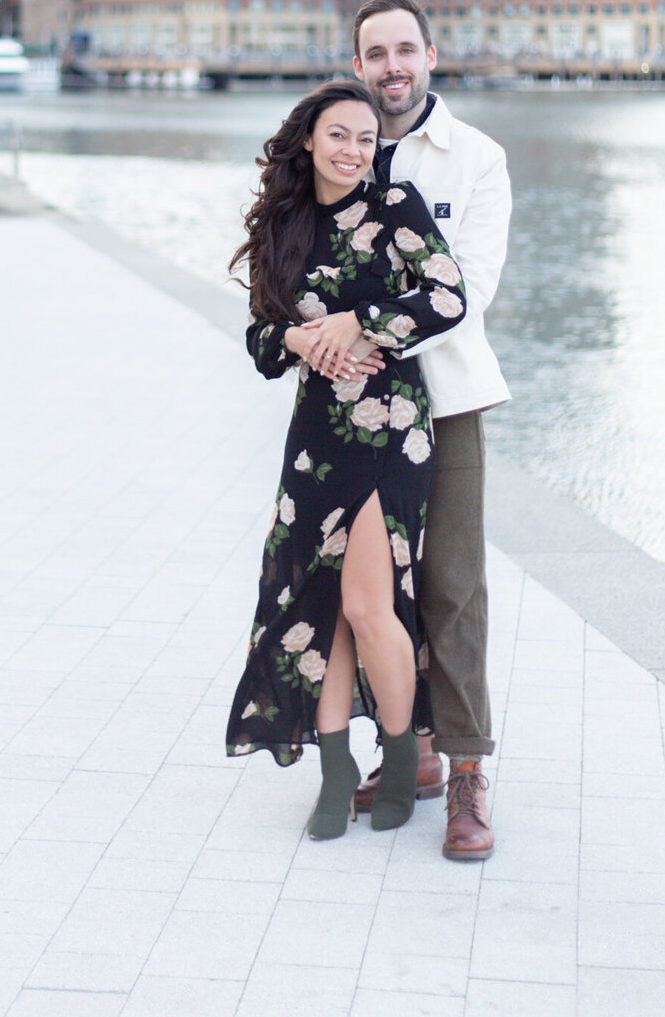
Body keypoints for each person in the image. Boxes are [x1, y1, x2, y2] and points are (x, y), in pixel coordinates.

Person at [225, 79, 467, 842]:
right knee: (321, 606)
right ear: (309, 138)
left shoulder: (395, 207)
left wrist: (360, 322)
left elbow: (448, 297)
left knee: (367, 605)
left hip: (391, 426)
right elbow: (262, 339)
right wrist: (301, 338)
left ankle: (401, 761)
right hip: (317, 437)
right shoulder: (283, 224)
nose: (354, 150)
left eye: (366, 139)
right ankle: (334, 771)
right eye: (339, 135)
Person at [348, 0, 511, 863]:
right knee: (373, 594)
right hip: (353, 413)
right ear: (359, 64)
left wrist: (363, 332)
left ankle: (468, 771)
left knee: (452, 586)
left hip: (444, 401)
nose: (393, 67)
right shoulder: (338, 147)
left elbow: (468, 292)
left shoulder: (476, 159)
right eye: (376, 54)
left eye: (405, 50)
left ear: (431, 56)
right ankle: (406, 750)